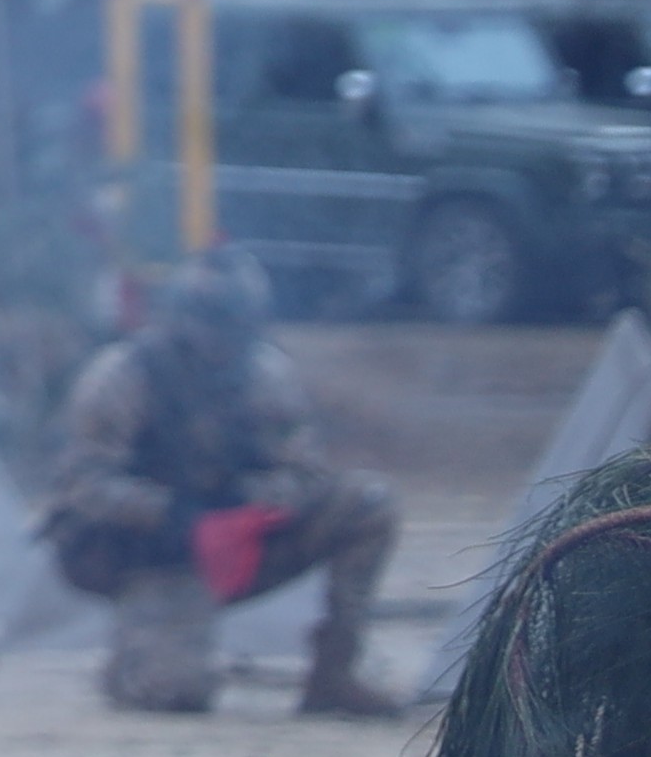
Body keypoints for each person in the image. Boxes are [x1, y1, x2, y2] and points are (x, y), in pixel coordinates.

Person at [40, 256, 396, 718]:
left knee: (368, 504)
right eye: (211, 323)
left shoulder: (266, 374)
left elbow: (306, 472)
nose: (221, 342)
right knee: (174, 694)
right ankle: (135, 664)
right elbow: (81, 483)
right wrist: (176, 517)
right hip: (154, 556)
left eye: (234, 325)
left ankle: (334, 675)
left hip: (244, 545)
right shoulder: (123, 376)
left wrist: (249, 506)